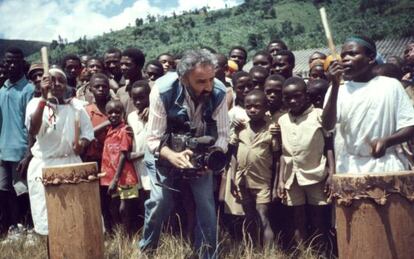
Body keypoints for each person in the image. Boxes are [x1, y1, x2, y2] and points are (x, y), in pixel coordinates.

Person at [139, 49, 229, 259]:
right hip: (163, 152)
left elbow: (223, 135)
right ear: (183, 78)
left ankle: (208, 254)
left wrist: (212, 156)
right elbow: (152, 139)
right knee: (160, 202)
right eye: (200, 81)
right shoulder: (162, 90)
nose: (208, 86)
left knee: (206, 204)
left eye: (211, 79)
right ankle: (147, 250)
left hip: (200, 153)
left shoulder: (219, 91)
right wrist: (171, 155)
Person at [323, 35, 414, 173]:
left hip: (386, 166)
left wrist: (387, 141)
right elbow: (328, 125)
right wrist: (335, 85)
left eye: (352, 54)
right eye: (343, 55)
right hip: (350, 168)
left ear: (371, 58)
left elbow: (409, 126)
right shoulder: (338, 89)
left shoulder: (390, 86)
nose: (346, 58)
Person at [25, 67, 94, 236]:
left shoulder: (76, 107)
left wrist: (82, 144)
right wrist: (43, 98)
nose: (56, 84)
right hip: (45, 165)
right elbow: (33, 130)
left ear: (66, 85)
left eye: (60, 80)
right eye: (51, 80)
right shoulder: (35, 104)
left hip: (72, 163)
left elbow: (87, 132)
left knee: (76, 215)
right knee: (51, 220)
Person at [277, 77, 334, 248]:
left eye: (297, 96)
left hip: (315, 174)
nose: (293, 101)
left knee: (319, 217)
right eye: (288, 97)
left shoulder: (318, 115)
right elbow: (282, 153)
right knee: (297, 218)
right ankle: (303, 252)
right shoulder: (282, 120)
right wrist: (280, 180)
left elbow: (329, 146)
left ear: (306, 96)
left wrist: (331, 172)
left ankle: (321, 251)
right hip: (291, 177)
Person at [229, 90, 276, 247]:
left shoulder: (272, 129)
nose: (252, 110)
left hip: (262, 180)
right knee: (248, 215)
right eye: (248, 106)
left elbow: (277, 157)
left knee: (263, 215)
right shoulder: (241, 127)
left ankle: (269, 254)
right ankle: (251, 249)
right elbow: (234, 153)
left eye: (257, 106)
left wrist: (276, 184)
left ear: (265, 107)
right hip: (242, 180)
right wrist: (233, 177)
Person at [0, 48, 35, 238]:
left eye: (15, 61)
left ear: (22, 63)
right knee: (5, 191)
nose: (11, 65)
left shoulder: (29, 90)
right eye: (8, 62)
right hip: (3, 151)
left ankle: (29, 228)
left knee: (22, 191)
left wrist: (29, 154)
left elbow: (32, 127)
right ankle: (15, 227)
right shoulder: (2, 89)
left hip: (21, 151)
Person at [101, 100, 139, 236]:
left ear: (123, 113)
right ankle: (120, 235)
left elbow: (123, 155)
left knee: (125, 208)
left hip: (126, 177)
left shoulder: (124, 131)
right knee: (113, 207)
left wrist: (115, 180)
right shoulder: (110, 130)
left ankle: (128, 236)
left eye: (117, 112)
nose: (114, 115)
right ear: (106, 115)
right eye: (110, 112)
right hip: (112, 176)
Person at [127, 81, 151, 230]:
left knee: (152, 199)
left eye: (142, 98)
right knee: (139, 199)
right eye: (134, 98)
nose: (138, 102)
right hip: (135, 166)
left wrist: (141, 154)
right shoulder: (130, 116)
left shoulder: (155, 114)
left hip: (149, 165)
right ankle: (142, 230)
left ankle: (156, 230)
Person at [116, 48, 146, 116]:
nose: (123, 67)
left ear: (139, 66)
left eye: (127, 64)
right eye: (121, 64)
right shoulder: (120, 92)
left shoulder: (152, 88)